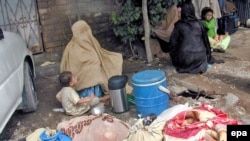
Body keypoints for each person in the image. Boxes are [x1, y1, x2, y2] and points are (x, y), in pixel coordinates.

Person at [60, 20, 123, 98]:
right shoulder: (72, 48)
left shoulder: (91, 41)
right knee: (94, 70)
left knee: (113, 59)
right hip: (78, 86)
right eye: (84, 31)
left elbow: (100, 53)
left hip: (78, 83)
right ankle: (96, 97)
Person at [169, 0, 215, 74]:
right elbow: (206, 42)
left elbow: (172, 43)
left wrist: (174, 57)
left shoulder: (179, 25)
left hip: (185, 59)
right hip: (200, 58)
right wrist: (208, 56)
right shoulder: (200, 24)